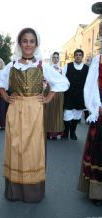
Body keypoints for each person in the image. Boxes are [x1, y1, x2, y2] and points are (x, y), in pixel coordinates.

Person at [0, 27, 70, 202]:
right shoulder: (12, 65)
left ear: (36, 44)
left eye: (32, 41)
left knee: (33, 149)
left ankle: (32, 191)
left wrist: (49, 97)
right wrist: (5, 95)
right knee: (15, 147)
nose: (28, 44)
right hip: (15, 108)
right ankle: (15, 191)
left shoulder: (42, 65)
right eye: (25, 41)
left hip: (35, 110)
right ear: (20, 43)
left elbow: (62, 83)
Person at [78, 54, 102, 206]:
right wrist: (96, 106)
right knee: (100, 152)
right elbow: (91, 88)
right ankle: (98, 192)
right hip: (101, 113)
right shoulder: (97, 63)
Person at [62, 49, 89, 140]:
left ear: (82, 57)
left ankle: (73, 133)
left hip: (80, 95)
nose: (78, 56)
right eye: (76, 55)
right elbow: (62, 78)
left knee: (77, 114)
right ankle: (66, 132)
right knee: (67, 114)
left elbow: (89, 82)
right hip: (69, 94)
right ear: (74, 56)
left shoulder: (86, 68)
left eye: (80, 55)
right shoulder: (68, 66)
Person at [46, 52, 64, 140]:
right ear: (51, 58)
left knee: (57, 113)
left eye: (57, 57)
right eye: (54, 57)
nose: (56, 59)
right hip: (49, 92)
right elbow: (44, 80)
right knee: (48, 112)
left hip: (59, 93)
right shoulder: (47, 68)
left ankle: (55, 133)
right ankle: (47, 132)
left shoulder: (62, 69)